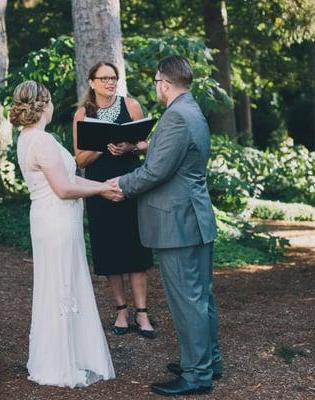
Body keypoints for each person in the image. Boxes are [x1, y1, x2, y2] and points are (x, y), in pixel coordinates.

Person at [109, 56, 223, 396]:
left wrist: (121, 185)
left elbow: (156, 171)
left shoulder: (175, 117)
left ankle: (196, 375)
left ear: (165, 83)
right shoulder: (193, 110)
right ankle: (208, 360)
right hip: (194, 217)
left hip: (179, 222)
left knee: (188, 300)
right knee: (201, 297)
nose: (156, 86)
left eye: (157, 80)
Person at [10, 80, 119, 388]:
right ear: (44, 105)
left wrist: (102, 187)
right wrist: (102, 189)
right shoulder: (42, 141)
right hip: (57, 220)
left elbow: (65, 182)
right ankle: (61, 363)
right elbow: (63, 188)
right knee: (62, 286)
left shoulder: (26, 138)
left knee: (61, 284)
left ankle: (68, 354)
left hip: (49, 219)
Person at [72, 62, 155, 338]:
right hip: (99, 187)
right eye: (104, 78)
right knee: (109, 249)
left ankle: (142, 313)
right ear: (92, 82)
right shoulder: (83, 114)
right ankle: (121, 310)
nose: (110, 82)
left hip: (130, 185)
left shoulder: (130, 106)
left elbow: (146, 145)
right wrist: (101, 147)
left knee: (135, 248)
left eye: (114, 77)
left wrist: (130, 146)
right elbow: (79, 158)